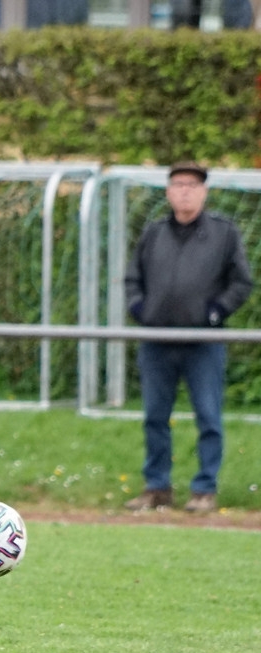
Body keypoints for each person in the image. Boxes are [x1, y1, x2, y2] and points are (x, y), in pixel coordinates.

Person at [124, 161, 253, 514]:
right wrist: (140, 309)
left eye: (192, 185)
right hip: (157, 342)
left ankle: (204, 489)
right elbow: (132, 279)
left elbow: (241, 282)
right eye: (179, 184)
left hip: (203, 344)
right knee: (155, 417)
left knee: (208, 417)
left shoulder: (223, 234)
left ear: (204, 192)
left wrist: (216, 312)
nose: (185, 191)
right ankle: (157, 487)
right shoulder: (153, 234)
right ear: (168, 191)